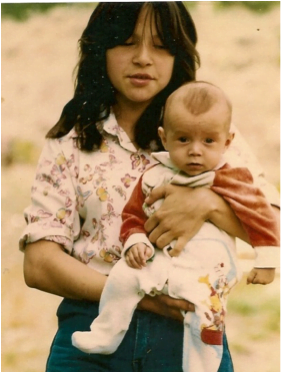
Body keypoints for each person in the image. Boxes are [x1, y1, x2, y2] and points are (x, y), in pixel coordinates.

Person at [19, 3, 282, 373]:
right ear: (100, 49)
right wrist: (139, 297)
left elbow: (276, 227)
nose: (143, 59)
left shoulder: (204, 134)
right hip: (92, 334)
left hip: (188, 338)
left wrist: (207, 204)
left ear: (180, 54)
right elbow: (39, 264)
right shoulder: (70, 142)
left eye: (161, 46)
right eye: (126, 43)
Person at [71, 81, 281, 373]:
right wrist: (136, 242)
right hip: (154, 264)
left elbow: (260, 216)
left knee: (206, 321)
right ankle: (105, 333)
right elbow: (132, 216)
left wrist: (267, 262)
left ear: (228, 142)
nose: (195, 151)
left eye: (208, 141)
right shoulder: (154, 175)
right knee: (122, 278)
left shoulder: (232, 178)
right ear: (164, 138)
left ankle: (202, 368)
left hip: (206, 274)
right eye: (183, 139)